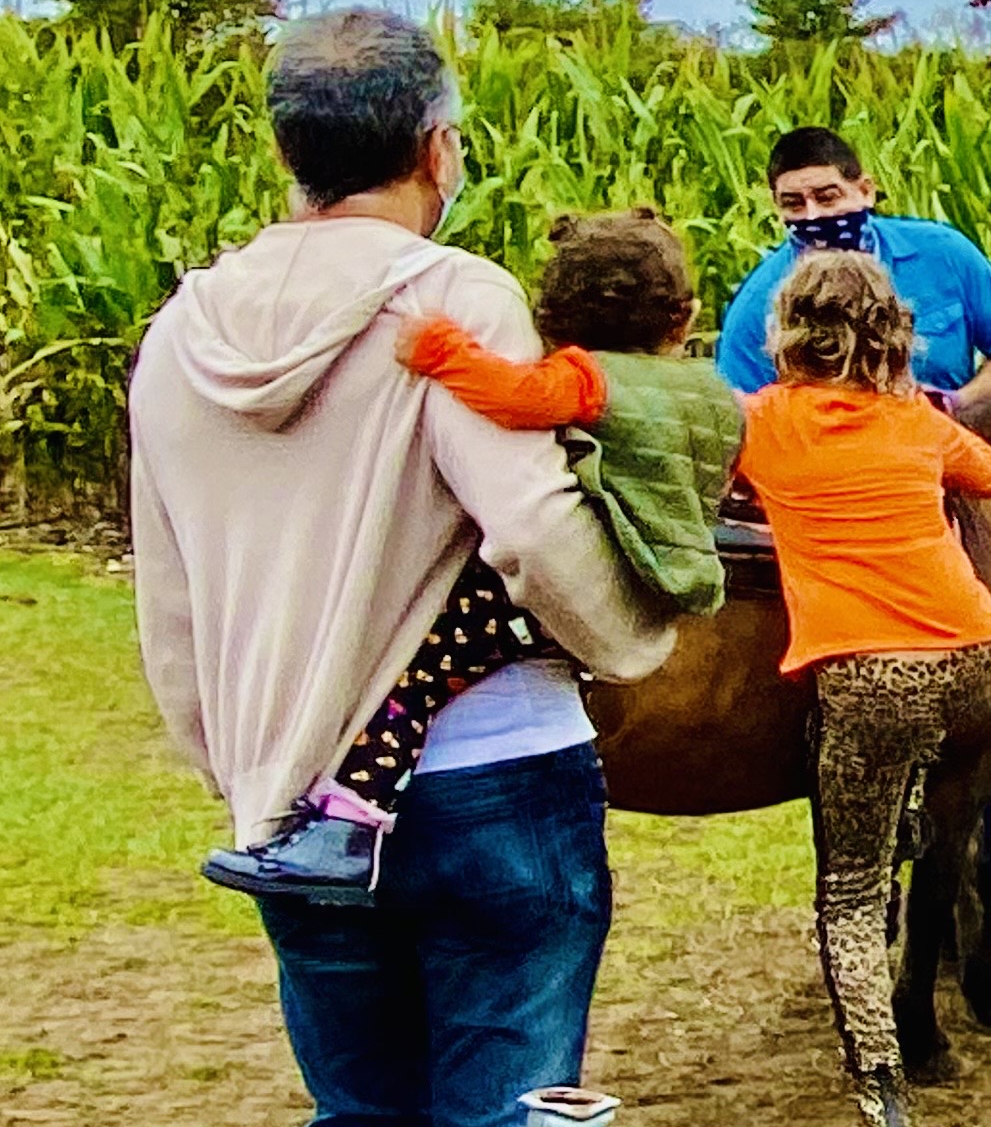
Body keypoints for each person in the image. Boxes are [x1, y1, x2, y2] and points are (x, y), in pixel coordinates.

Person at [130, 9, 673, 1127]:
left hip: (296, 801)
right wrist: (628, 636)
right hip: (491, 780)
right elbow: (526, 522)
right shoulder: (449, 297)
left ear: (287, 149)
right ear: (435, 146)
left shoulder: (181, 332)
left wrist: (251, 761)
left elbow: (170, 605)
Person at [203, 208, 744, 903]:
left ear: (550, 319)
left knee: (414, 679)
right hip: (659, 579)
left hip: (573, 583)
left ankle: (349, 826)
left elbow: (515, 396)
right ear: (684, 317)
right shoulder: (713, 393)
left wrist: (442, 350)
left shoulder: (589, 381)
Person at [714, 125, 991, 975]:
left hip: (953, 495)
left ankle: (985, 904)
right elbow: (742, 421)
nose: (813, 215)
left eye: (829, 197)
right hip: (851, 526)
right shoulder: (758, 301)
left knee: (986, 734)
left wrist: (950, 406)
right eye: (793, 204)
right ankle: (885, 915)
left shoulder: (942, 255)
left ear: (867, 187)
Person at [730, 249, 991, 1127]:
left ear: (784, 335)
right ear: (891, 336)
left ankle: (885, 1113)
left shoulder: (760, 424)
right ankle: (910, 810)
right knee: (911, 765)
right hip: (980, 655)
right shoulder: (919, 421)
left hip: (870, 673)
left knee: (850, 897)